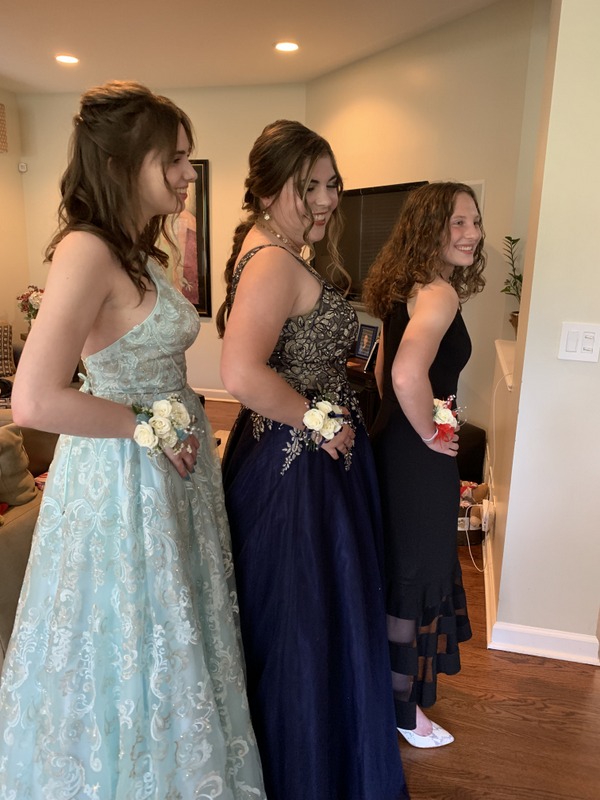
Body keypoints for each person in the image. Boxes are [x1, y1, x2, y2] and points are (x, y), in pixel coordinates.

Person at [0, 81, 265, 799]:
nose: (186, 175)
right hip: (122, 478)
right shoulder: (86, 249)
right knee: (131, 639)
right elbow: (34, 398)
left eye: (186, 159)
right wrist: (144, 426)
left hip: (169, 468)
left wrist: (169, 426)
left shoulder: (138, 252)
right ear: (122, 164)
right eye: (173, 160)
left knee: (174, 631)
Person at [217, 120, 409, 800]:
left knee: (302, 621)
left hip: (292, 459)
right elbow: (239, 371)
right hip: (299, 473)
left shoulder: (266, 247)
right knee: (304, 624)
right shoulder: (272, 260)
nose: (327, 200)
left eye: (332, 184)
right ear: (269, 189)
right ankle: (311, 769)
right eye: (310, 187)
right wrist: (320, 420)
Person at [362, 181, 486, 748]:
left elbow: (381, 373)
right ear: (429, 227)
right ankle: (403, 712)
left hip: (392, 446)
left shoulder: (404, 288)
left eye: (474, 222)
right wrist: (434, 433)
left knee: (400, 572)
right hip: (417, 454)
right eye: (458, 222)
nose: (472, 233)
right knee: (415, 574)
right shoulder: (439, 293)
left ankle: (389, 698)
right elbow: (404, 374)